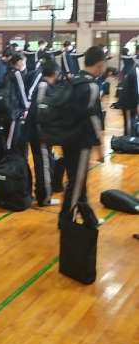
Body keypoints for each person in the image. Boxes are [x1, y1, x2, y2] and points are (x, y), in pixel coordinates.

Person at [58, 46, 106, 224]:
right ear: (100, 64)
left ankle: (88, 218)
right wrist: (100, 147)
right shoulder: (91, 86)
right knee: (76, 184)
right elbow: (94, 119)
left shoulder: (72, 80)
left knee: (78, 180)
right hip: (80, 143)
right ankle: (66, 222)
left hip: (66, 139)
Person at [25, 60, 60, 206]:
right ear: (55, 73)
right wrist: (44, 133)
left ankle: (41, 193)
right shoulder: (44, 86)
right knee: (44, 165)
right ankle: (44, 197)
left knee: (43, 164)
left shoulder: (46, 86)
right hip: (40, 134)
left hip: (40, 133)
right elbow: (39, 111)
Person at [5, 53, 30, 154]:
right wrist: (26, 108)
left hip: (8, 107)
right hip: (15, 109)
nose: (24, 64)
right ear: (18, 62)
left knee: (10, 135)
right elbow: (21, 91)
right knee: (12, 137)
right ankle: (9, 157)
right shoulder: (17, 73)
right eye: (23, 62)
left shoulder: (8, 71)